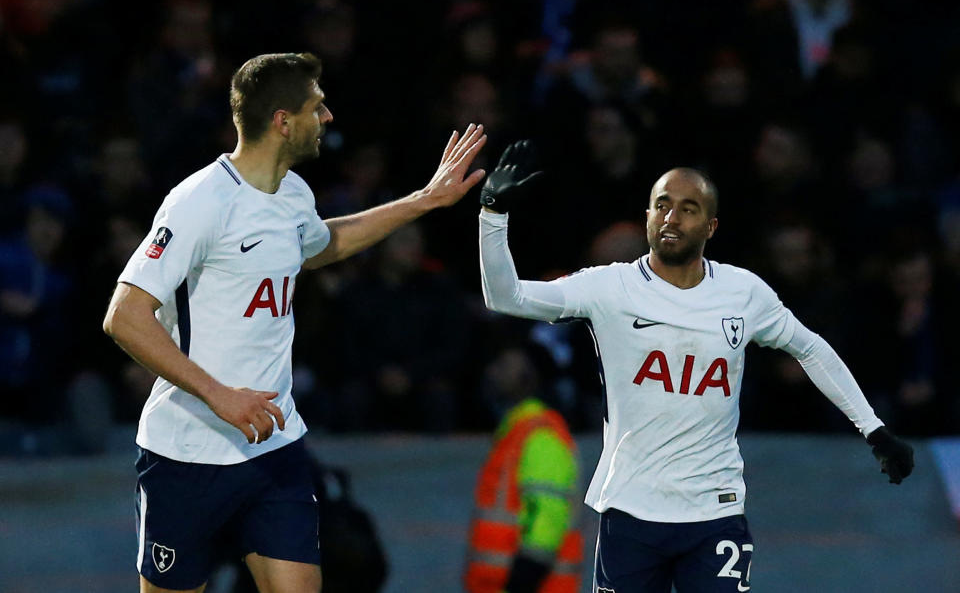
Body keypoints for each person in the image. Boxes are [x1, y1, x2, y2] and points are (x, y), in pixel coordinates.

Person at [102, 52, 487, 593]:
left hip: (274, 446)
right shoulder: (199, 201)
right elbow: (124, 316)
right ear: (283, 121)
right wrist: (220, 395)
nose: (328, 118)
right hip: (187, 452)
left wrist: (424, 201)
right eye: (317, 106)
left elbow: (325, 243)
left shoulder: (293, 195)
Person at [476, 141, 915, 593]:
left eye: (688, 208)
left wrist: (874, 430)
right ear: (647, 216)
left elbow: (812, 349)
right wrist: (493, 213)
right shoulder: (609, 286)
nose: (671, 217)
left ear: (711, 225)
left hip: (714, 511)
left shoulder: (744, 293)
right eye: (662, 206)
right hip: (631, 509)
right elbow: (506, 297)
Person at [464, 345, 583, 593]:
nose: (492, 373)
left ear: (530, 378)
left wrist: (520, 583)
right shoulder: (518, 431)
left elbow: (547, 523)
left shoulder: (540, 436)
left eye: (504, 365)